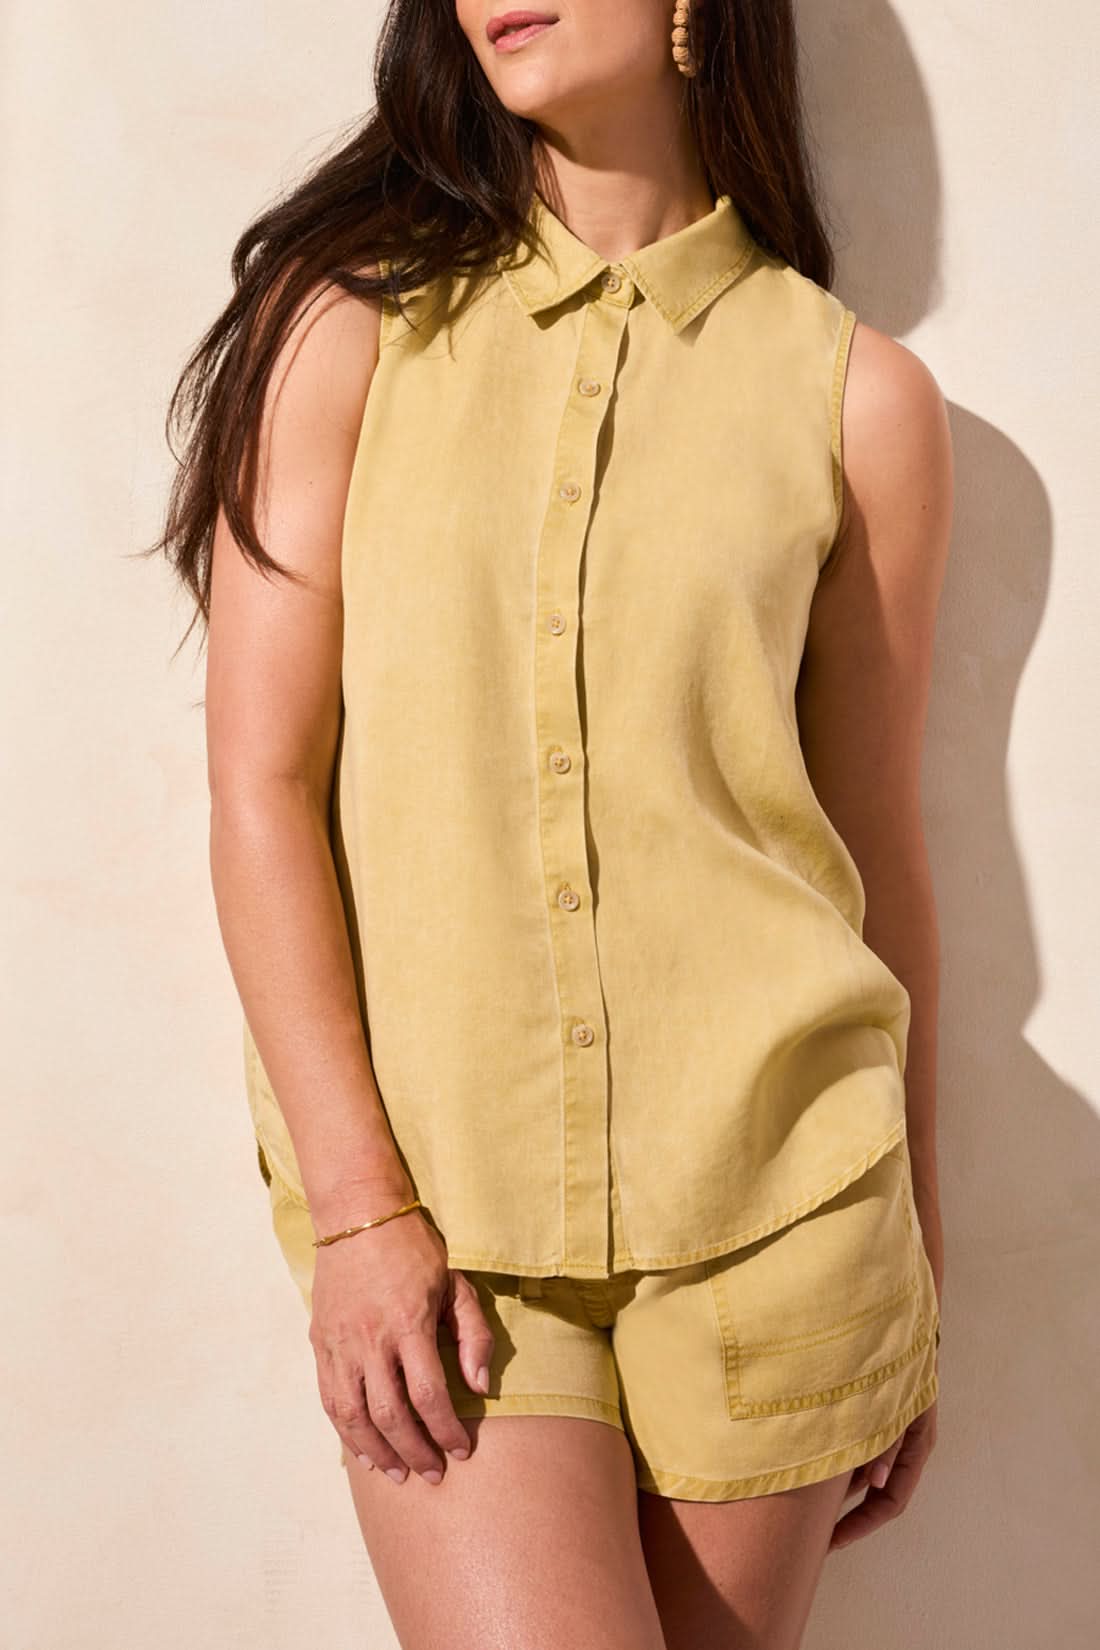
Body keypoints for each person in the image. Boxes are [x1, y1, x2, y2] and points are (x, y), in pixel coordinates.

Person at [153, 1, 954, 1644]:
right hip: (448, 1235)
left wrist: (918, 1269)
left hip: (786, 1216)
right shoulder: (346, 330)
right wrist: (362, 1209)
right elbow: (258, 787)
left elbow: (876, 853)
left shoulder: (857, 397)